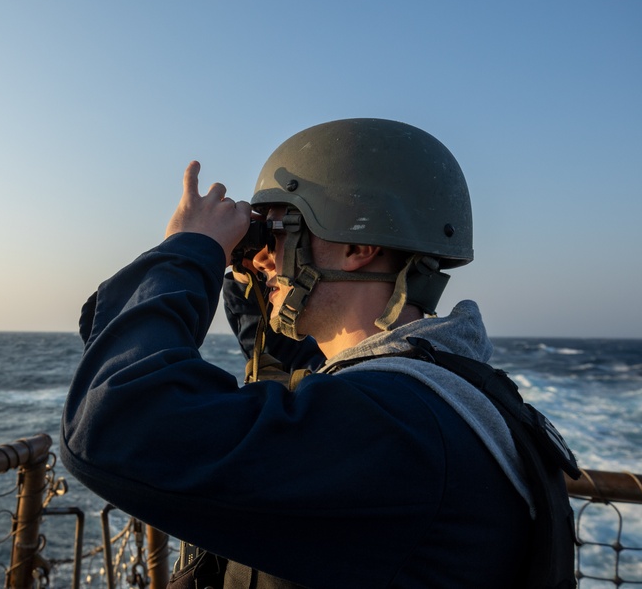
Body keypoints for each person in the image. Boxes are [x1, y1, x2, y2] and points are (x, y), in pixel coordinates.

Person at [61, 118, 571, 588]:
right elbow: (278, 361)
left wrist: (190, 247)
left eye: (282, 230)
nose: (263, 257)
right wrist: (244, 260)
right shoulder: (434, 393)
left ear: (357, 246)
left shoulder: (397, 425)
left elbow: (115, 418)